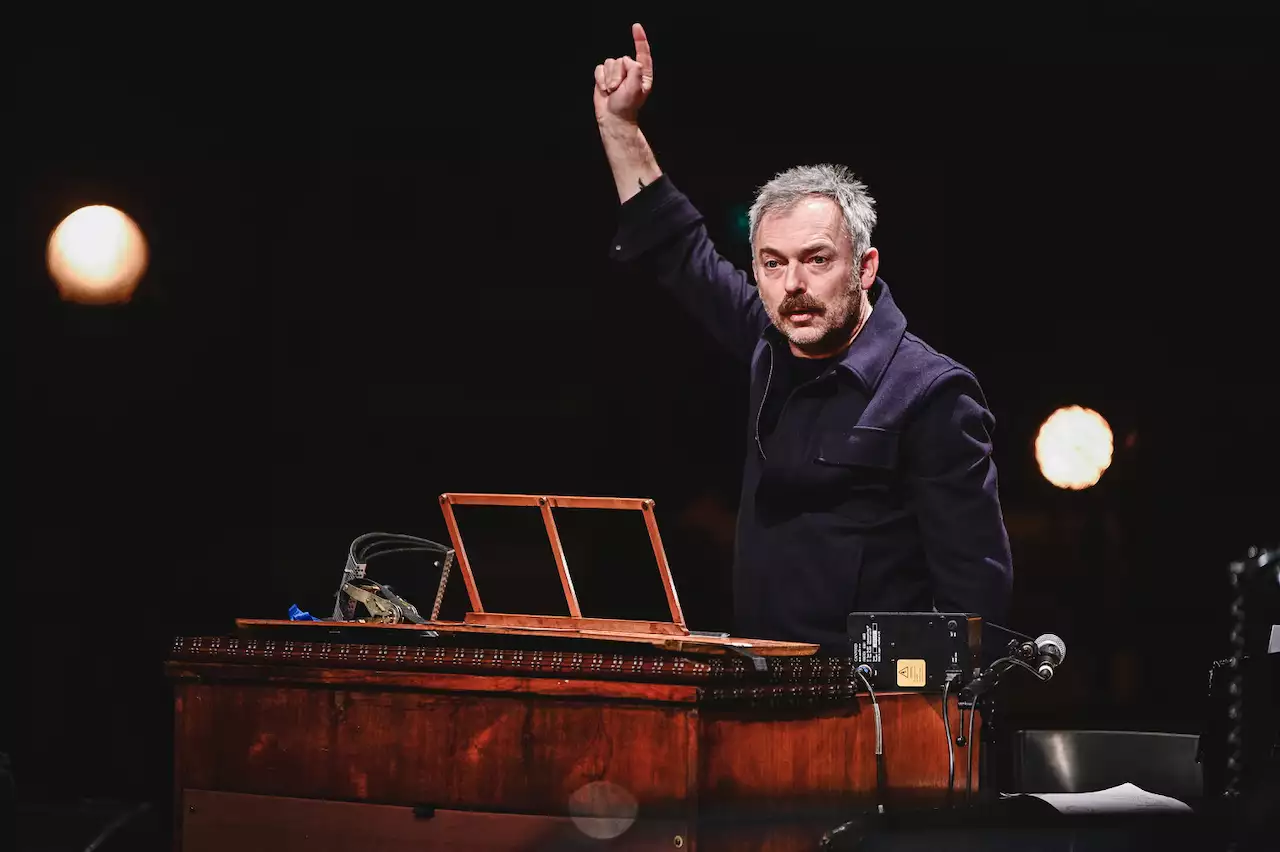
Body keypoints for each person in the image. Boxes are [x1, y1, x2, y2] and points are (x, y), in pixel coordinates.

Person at [593, 24, 1013, 649]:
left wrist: (936, 725)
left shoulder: (932, 395)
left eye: (817, 260)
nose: (792, 284)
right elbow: (680, 250)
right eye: (772, 263)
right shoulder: (772, 340)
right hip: (765, 694)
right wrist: (621, 129)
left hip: (871, 716)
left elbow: (976, 599)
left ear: (864, 268)